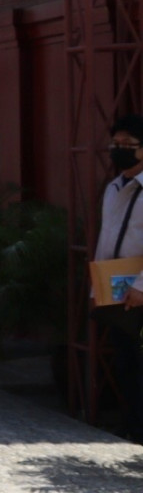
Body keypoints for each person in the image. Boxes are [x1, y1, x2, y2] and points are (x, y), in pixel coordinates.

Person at [95, 115, 143, 438]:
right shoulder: (114, 188)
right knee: (125, 361)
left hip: (138, 288)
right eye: (116, 144)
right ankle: (131, 424)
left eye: (129, 145)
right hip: (115, 287)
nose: (120, 150)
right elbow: (106, 236)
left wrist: (142, 287)